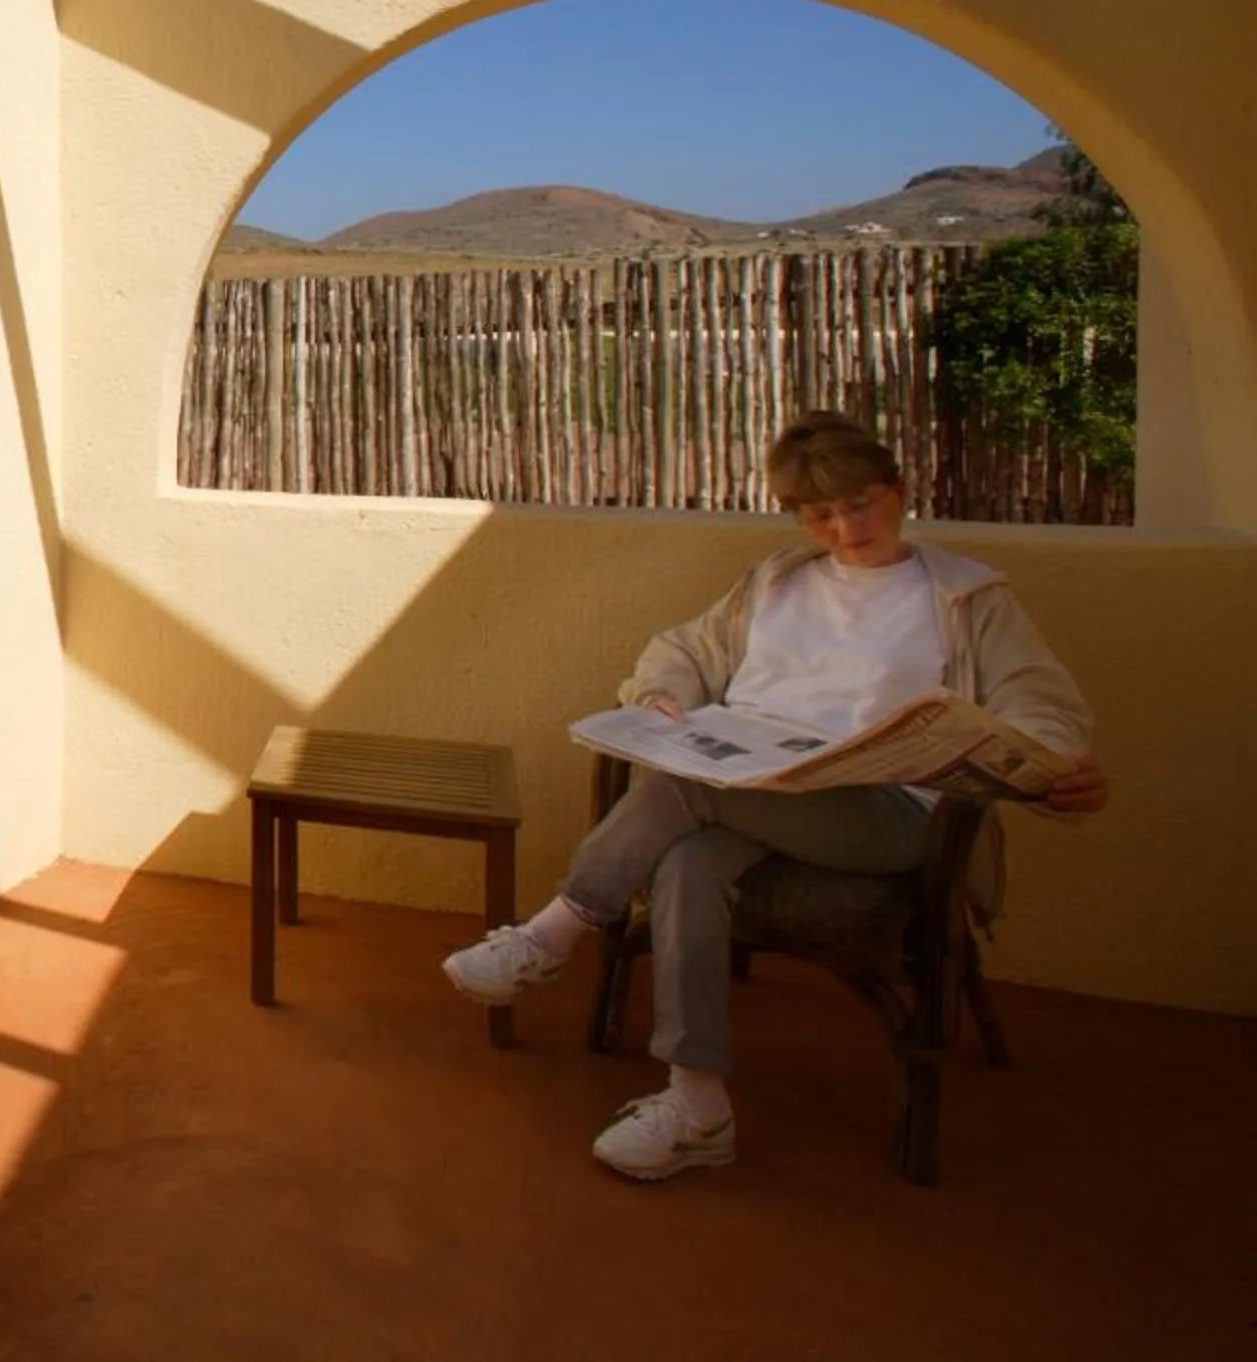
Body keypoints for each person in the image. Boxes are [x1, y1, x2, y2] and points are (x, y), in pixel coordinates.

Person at [441, 411, 1106, 1181]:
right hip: (755, 790)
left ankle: (556, 930)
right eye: (821, 513)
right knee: (688, 865)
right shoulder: (778, 583)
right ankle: (698, 1105)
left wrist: (1052, 766)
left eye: (860, 504)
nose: (845, 527)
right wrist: (663, 695)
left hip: (889, 816)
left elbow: (1041, 711)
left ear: (897, 491)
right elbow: (686, 649)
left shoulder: (965, 598)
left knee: (688, 781)